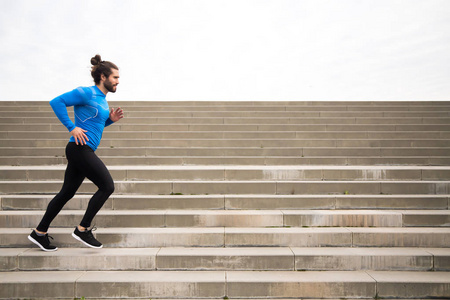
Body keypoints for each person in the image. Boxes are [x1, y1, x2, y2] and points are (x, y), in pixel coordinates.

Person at [28, 54, 124, 251]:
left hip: (83, 149)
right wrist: (71, 127)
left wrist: (110, 121)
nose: (118, 81)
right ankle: (82, 229)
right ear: (103, 76)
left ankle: (39, 233)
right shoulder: (86, 92)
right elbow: (56, 101)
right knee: (107, 186)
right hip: (79, 149)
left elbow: (95, 125)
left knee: (67, 192)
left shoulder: (102, 100)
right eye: (115, 77)